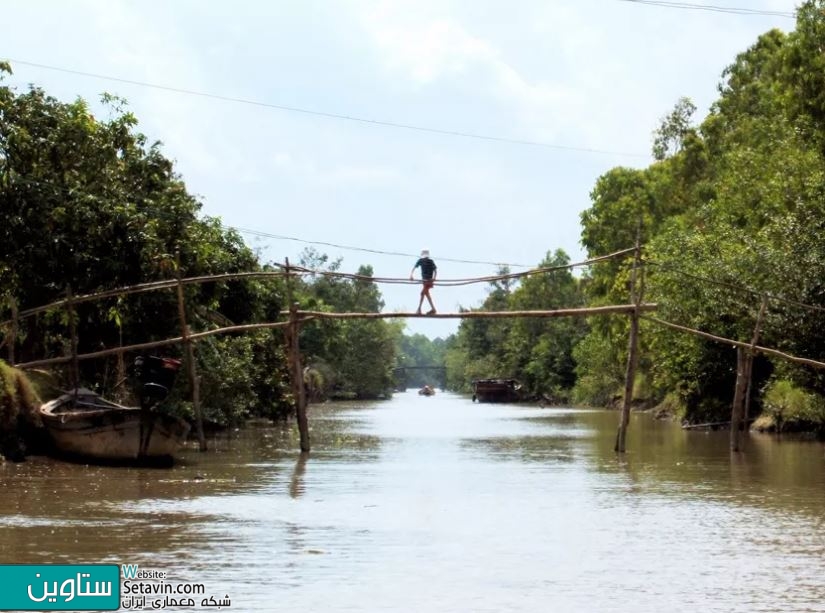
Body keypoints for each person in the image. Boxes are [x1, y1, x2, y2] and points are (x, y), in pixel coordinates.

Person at [410, 249, 437, 315]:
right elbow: (435, 271)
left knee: (422, 293)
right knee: (426, 294)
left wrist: (411, 275)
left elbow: (414, 267)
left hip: (427, 281)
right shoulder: (428, 261)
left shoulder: (424, 261)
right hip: (426, 281)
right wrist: (411, 275)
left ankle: (419, 309)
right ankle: (433, 309)